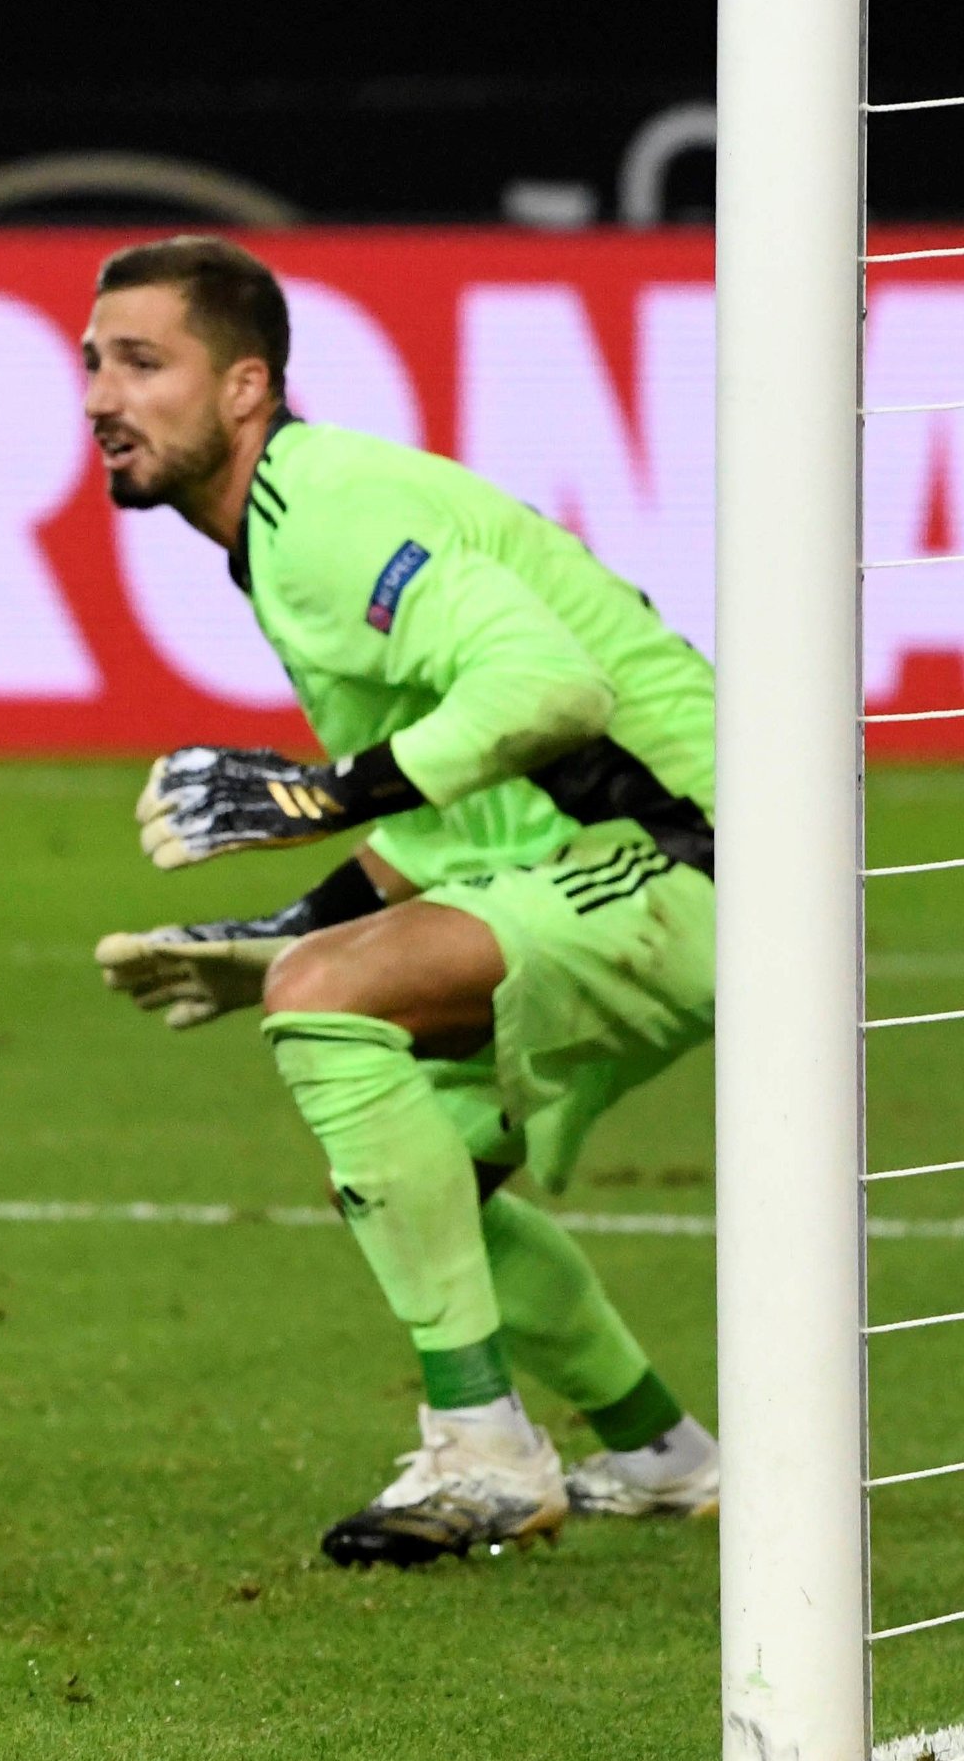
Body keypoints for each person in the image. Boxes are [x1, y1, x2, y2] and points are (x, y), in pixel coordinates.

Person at [82, 234, 722, 1566]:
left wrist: (325, 798)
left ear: (246, 387)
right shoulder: (281, 530)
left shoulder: (322, 518)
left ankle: (486, 1449)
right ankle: (661, 1451)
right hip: (608, 855)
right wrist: (290, 923)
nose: (99, 396)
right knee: (418, 1165)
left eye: (143, 362)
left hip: (700, 852)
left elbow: (554, 690)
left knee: (333, 1009)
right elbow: (471, 804)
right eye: (92, 363)